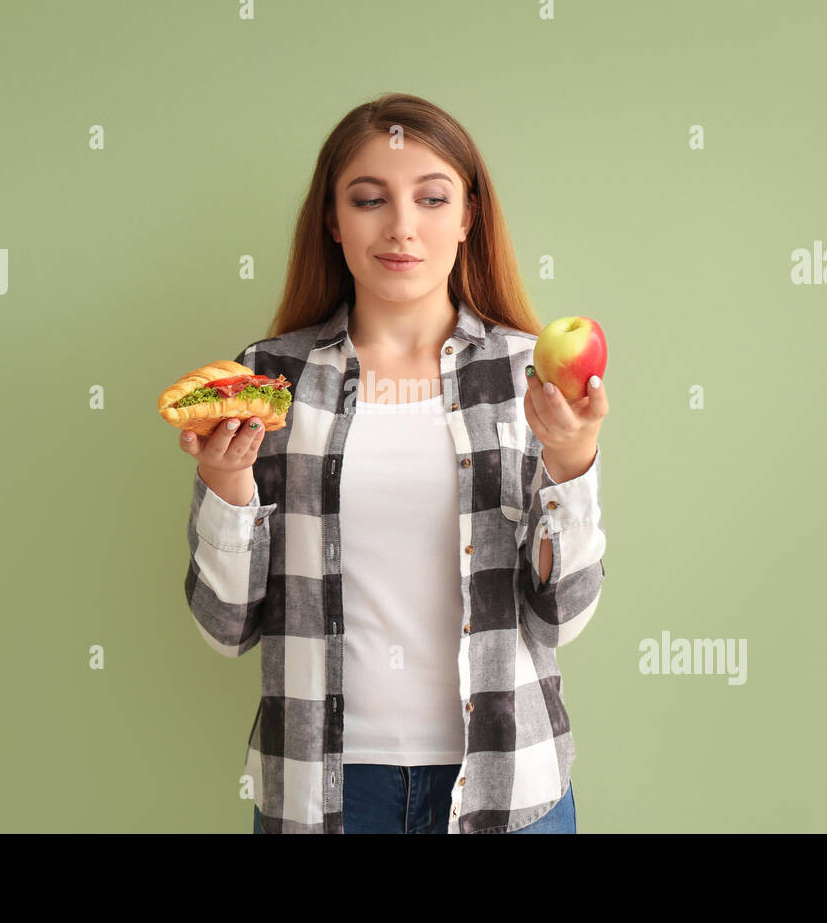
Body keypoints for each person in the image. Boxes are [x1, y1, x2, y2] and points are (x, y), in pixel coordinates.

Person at [179, 93, 608, 834]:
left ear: (469, 216)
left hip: (510, 790)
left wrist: (572, 464)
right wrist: (226, 484)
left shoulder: (527, 374)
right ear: (333, 222)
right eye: (369, 199)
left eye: (432, 198)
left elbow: (564, 615)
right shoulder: (268, 380)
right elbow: (225, 627)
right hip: (321, 793)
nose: (402, 226)